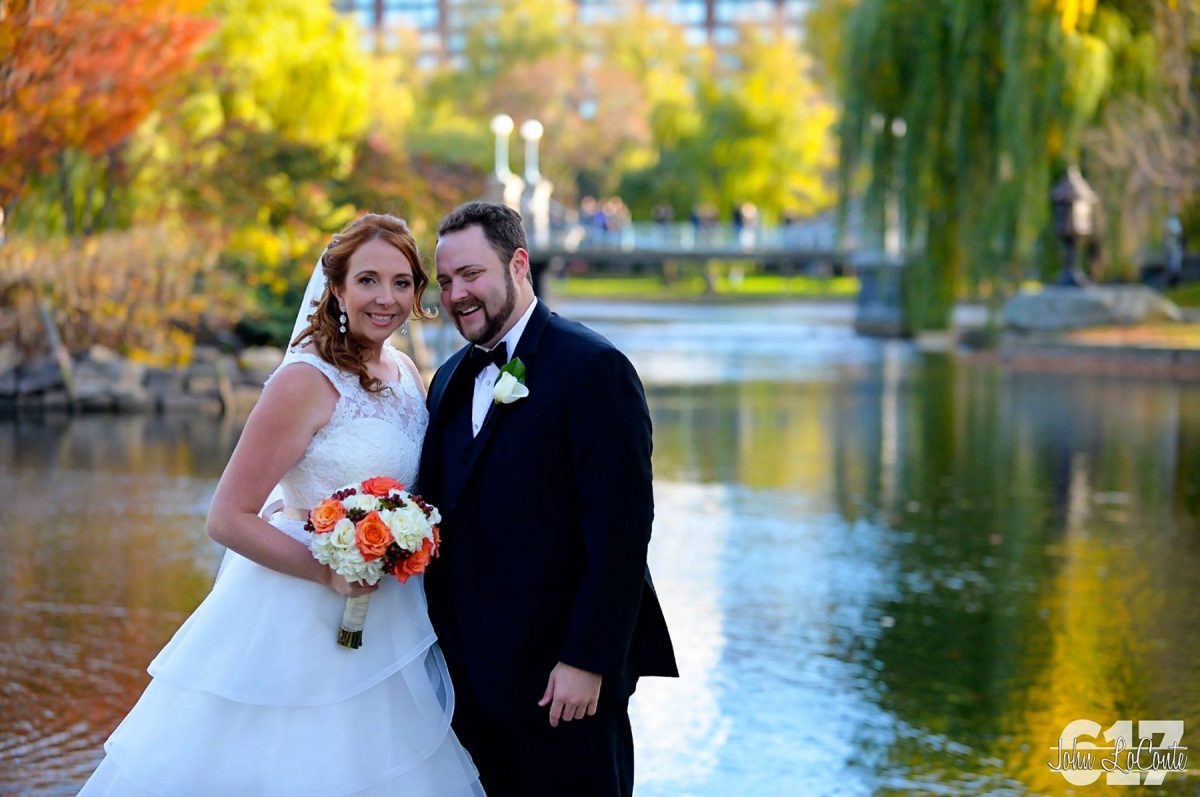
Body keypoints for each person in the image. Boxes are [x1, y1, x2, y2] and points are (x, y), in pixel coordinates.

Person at [77, 214, 485, 797]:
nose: (386, 298)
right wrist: (331, 569)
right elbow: (227, 515)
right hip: (297, 613)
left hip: (387, 617)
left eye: (402, 282)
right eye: (368, 280)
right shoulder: (304, 380)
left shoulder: (404, 372)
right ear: (337, 289)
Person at [420, 201, 678, 797]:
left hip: (564, 689)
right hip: (468, 688)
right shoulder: (451, 378)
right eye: (447, 280)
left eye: (472, 274)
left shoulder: (594, 369)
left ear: (518, 265)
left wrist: (588, 660)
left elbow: (621, 533)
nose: (458, 293)